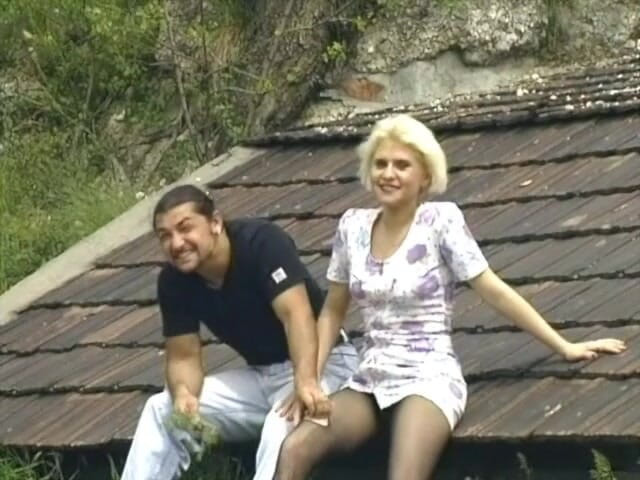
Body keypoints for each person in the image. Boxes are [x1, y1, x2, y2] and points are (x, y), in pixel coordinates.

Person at [274, 114, 627, 480]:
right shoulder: (353, 226)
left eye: (401, 165)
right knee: (296, 447)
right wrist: (309, 379)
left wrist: (564, 346)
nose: (388, 174)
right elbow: (333, 310)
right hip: (370, 379)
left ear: (425, 177)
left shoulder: (439, 222)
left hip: (428, 377)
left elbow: (493, 290)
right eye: (380, 164)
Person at [120, 185, 357, 480]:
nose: (176, 243)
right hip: (262, 377)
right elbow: (183, 357)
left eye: (185, 228)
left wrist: (306, 381)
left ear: (215, 223)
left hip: (325, 364)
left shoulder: (260, 243)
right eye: (165, 236)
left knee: (279, 426)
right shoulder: (173, 281)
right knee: (162, 408)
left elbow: (296, 316)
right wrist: (183, 394)